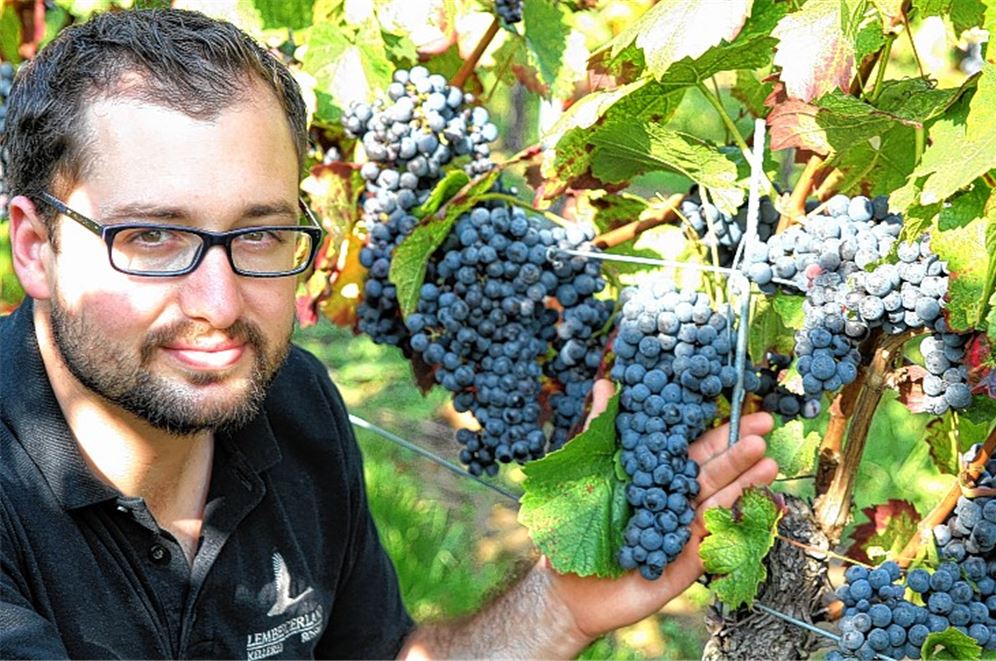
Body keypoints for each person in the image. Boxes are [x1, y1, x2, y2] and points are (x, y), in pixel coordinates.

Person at [0, 8, 778, 659]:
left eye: (262, 234)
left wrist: (559, 605)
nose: (220, 300)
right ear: (35, 247)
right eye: (153, 238)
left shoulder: (295, 407)